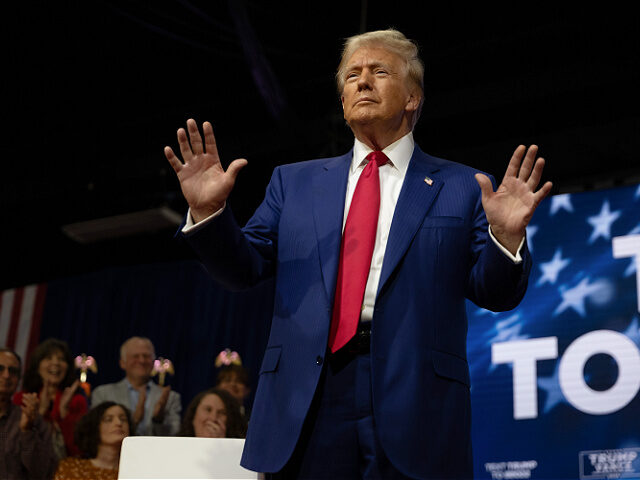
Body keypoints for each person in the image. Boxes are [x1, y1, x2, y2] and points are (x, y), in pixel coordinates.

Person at [165, 29, 551, 479]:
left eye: (378, 71)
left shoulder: (462, 186)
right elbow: (242, 269)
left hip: (415, 400)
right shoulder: (294, 184)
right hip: (308, 398)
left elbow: (495, 292)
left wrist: (505, 239)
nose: (362, 82)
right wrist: (208, 213)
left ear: (412, 98)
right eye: (352, 75)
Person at [91, 336, 181, 436]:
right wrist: (134, 420)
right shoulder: (103, 394)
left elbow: (175, 435)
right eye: (135, 356)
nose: (141, 361)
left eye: (146, 356)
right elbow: (95, 432)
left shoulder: (170, 398)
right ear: (122, 363)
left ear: (153, 362)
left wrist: (158, 420)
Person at [15, 338, 87, 458]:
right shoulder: (23, 398)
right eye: (48, 358)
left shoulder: (77, 401)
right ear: (37, 366)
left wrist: (64, 413)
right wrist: (41, 411)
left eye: (61, 359)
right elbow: (16, 445)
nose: (56, 363)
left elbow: (79, 449)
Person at [0, 347, 58, 479]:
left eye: (13, 371)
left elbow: (43, 473)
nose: (6, 375)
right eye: (0, 369)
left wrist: (27, 431)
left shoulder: (31, 419)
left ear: (19, 379)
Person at [54, 401, 132, 480]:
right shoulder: (71, 468)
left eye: (123, 419)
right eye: (109, 419)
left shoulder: (137, 471)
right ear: (94, 427)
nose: (119, 423)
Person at [178, 387, 247, 438]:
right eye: (208, 410)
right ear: (193, 416)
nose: (213, 418)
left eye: (222, 412)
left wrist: (220, 444)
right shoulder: (175, 446)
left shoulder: (240, 451)